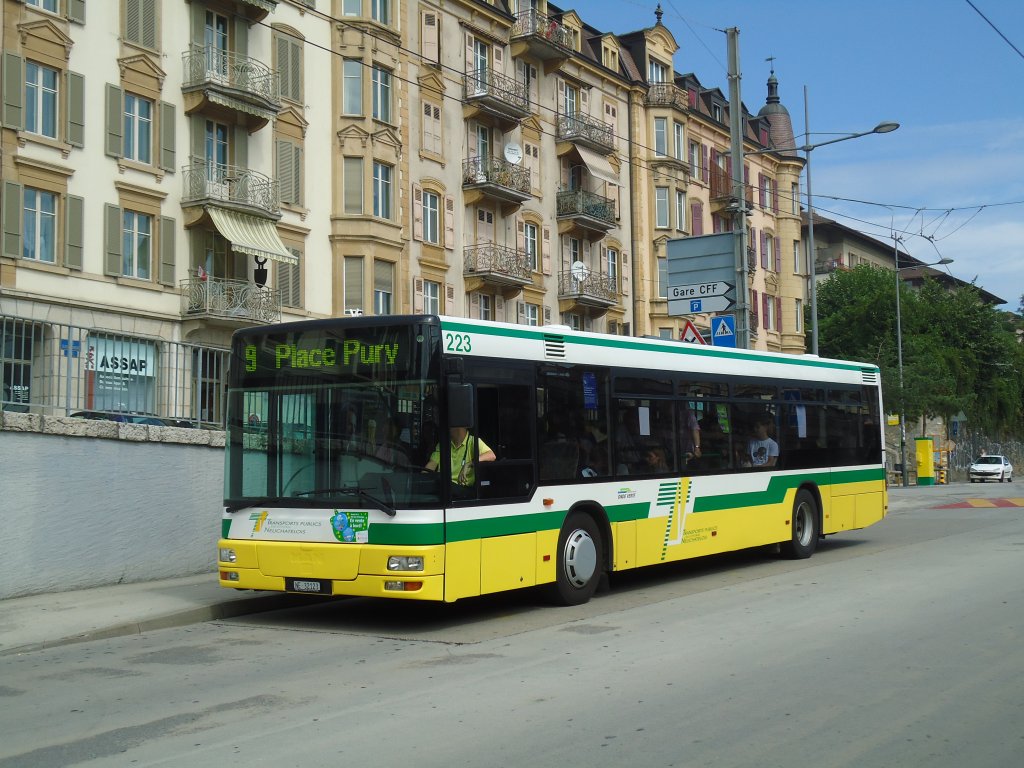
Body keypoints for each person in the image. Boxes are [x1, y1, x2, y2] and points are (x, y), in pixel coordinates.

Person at [425, 426, 495, 486]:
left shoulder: (473, 441)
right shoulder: (443, 444)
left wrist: (469, 464)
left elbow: (491, 455)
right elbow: (431, 465)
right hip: (444, 488)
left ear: (457, 426)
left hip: (463, 489)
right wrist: (420, 480)